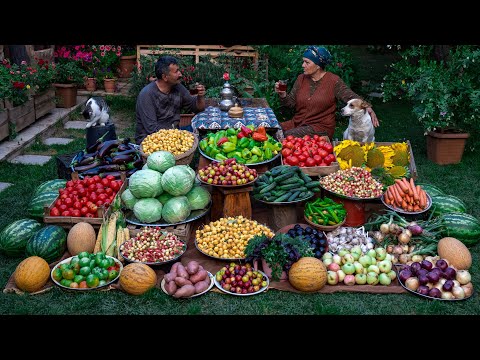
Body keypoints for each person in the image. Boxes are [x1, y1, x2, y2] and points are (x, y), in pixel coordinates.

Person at [274, 45, 379, 140]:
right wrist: (282, 94)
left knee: (284, 136)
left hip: (321, 128)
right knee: (271, 129)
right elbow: (290, 103)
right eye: (303, 61)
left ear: (318, 65)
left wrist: (368, 108)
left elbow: (350, 96)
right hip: (297, 123)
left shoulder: (333, 81)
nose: (303, 65)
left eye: (307, 62)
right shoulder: (301, 79)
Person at [135, 55, 206, 144]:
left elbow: (197, 108)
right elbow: (152, 129)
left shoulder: (178, 87)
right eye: (176, 72)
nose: (180, 74)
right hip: (151, 140)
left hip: (173, 134)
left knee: (203, 132)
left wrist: (200, 96)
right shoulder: (147, 95)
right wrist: (177, 139)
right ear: (165, 77)